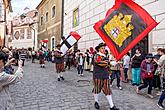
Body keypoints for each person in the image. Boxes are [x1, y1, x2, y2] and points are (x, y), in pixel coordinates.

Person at [93, 43, 119, 110]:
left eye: (104, 48)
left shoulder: (105, 56)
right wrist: (109, 63)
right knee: (97, 89)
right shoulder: (96, 55)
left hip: (105, 75)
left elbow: (107, 66)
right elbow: (98, 62)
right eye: (102, 48)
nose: (104, 49)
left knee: (107, 90)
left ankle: (112, 106)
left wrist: (111, 66)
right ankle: (96, 102)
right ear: (99, 49)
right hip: (97, 75)